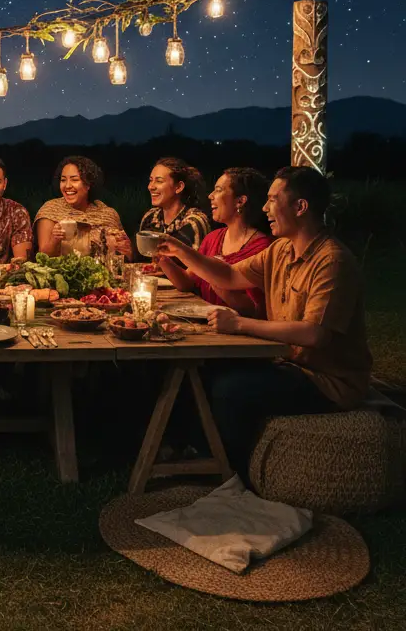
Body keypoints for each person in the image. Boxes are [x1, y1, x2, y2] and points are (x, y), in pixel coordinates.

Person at [157, 166, 372, 480]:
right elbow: (229, 276)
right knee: (201, 369)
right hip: (288, 363)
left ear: (300, 207)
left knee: (232, 390)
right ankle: (199, 453)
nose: (264, 208)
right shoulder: (280, 250)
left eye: (273, 200)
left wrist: (240, 324)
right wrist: (179, 250)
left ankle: (237, 474)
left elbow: (315, 334)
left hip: (326, 380)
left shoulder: (332, 260)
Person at [158, 167, 272, 316]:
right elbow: (186, 282)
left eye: (218, 190)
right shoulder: (213, 238)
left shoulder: (262, 248)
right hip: (207, 326)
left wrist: (215, 277)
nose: (211, 196)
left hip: (237, 334)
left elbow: (253, 310)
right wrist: (162, 258)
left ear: (240, 201)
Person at [33, 156, 132, 259]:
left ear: (88, 184)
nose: (67, 186)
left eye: (74, 180)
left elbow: (125, 256)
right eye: (63, 180)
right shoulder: (51, 209)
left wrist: (127, 252)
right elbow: (43, 256)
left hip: (104, 273)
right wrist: (55, 239)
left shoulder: (108, 213)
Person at [138, 156, 211, 249]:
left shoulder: (193, 222)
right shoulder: (150, 217)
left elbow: (193, 262)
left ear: (179, 187)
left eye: (159, 181)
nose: (151, 187)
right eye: (151, 180)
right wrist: (128, 251)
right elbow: (142, 258)